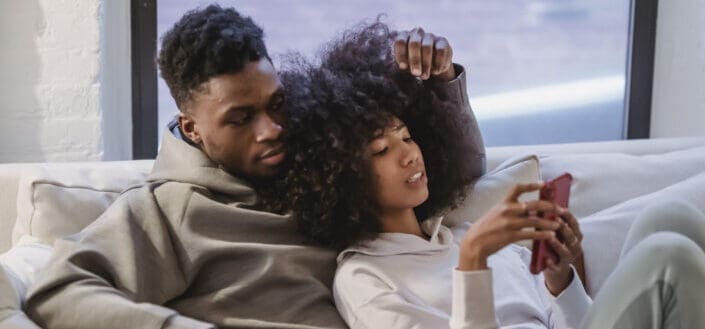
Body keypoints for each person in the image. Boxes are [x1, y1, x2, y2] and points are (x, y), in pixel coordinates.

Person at [17, 4, 485, 329]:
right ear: (193, 128)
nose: (271, 130)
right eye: (240, 119)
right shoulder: (168, 209)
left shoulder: (315, 151)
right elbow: (58, 291)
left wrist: (439, 80)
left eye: (276, 104)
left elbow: (450, 174)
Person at [270, 21, 705, 329]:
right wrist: (472, 264)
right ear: (341, 177)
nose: (408, 155)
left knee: (670, 217)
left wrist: (559, 279)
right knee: (668, 256)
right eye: (382, 149)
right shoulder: (365, 278)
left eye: (406, 136)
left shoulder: (468, 235)